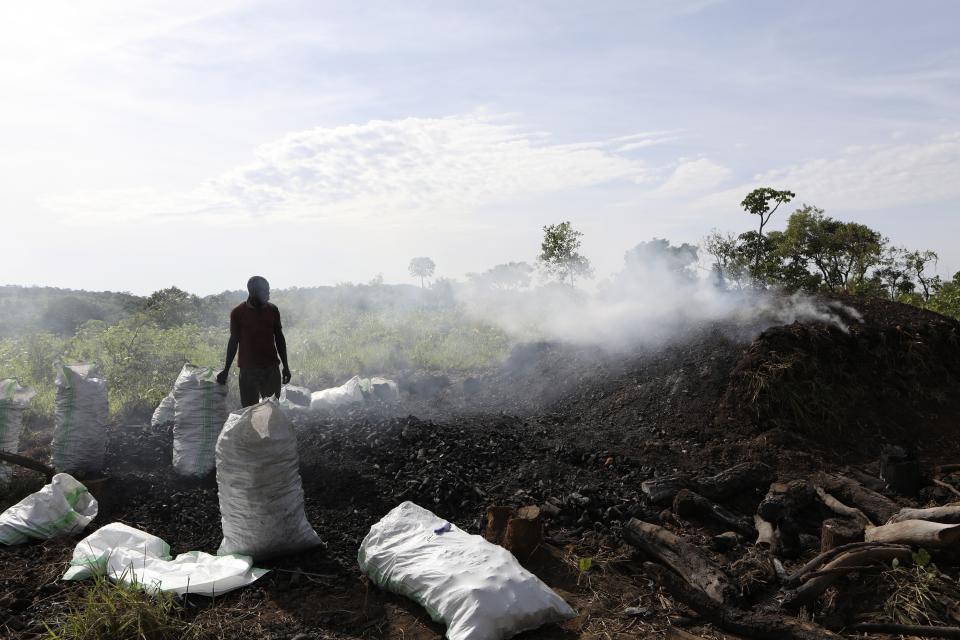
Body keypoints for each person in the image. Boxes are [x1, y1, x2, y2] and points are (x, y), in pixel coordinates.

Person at [216, 276, 291, 407]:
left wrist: (285, 366)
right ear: (253, 293)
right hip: (248, 372)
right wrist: (226, 369)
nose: (268, 295)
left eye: (268, 291)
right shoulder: (238, 313)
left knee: (272, 411)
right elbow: (233, 341)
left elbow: (279, 338)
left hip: (271, 370)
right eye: (264, 291)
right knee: (249, 412)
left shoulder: (272, 310)